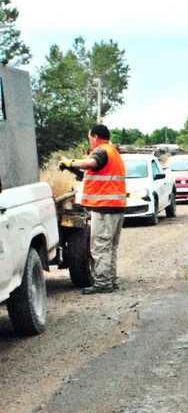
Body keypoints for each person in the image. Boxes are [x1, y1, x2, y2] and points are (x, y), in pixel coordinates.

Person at [59, 124, 126, 294]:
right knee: (109, 247)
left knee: (100, 247)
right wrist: (73, 168)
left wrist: (71, 161)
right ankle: (109, 280)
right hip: (116, 208)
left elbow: (92, 162)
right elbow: (93, 172)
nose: (90, 142)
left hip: (104, 208)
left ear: (95, 137)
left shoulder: (102, 151)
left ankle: (103, 284)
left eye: (90, 138)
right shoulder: (114, 153)